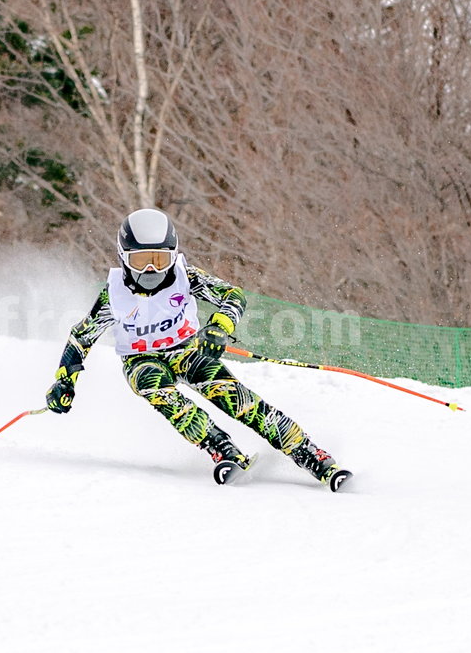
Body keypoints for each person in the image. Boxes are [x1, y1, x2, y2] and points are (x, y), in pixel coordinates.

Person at [46, 209, 352, 490]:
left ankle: (308, 452)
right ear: (124, 257)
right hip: (141, 359)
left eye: (161, 259)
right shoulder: (114, 295)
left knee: (238, 400)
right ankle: (220, 447)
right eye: (141, 260)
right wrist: (65, 380)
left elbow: (232, 296)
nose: (152, 269)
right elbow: (81, 337)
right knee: (154, 385)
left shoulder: (186, 278)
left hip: (187, 351)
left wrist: (219, 326)